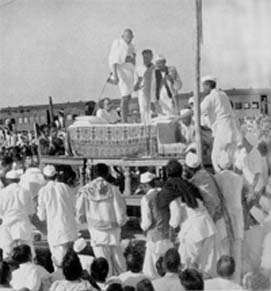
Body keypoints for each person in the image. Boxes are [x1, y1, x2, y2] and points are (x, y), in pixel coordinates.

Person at [76, 163, 127, 277]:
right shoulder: (113, 189)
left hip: (96, 234)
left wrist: (84, 220)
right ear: (107, 173)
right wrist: (121, 223)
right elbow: (120, 211)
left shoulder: (85, 191)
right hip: (113, 234)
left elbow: (80, 214)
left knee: (103, 268)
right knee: (120, 267)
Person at [169, 180, 216, 277]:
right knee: (204, 265)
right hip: (208, 228)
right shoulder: (196, 199)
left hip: (192, 233)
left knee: (186, 265)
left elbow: (175, 220)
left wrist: (171, 230)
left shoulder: (175, 201)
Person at [37, 165, 77, 264]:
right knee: (69, 260)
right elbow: (75, 207)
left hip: (55, 233)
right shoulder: (66, 187)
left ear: (44, 177)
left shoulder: (43, 191)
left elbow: (41, 216)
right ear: (56, 175)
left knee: (58, 262)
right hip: (69, 230)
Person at [200, 76, 240, 173]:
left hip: (222, 131)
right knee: (228, 159)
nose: (202, 88)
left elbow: (197, 110)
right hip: (231, 131)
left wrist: (179, 117)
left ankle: (221, 179)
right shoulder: (223, 94)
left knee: (216, 159)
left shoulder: (211, 97)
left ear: (208, 85)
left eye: (203, 86)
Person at [215, 152, 244, 283]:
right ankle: (236, 282)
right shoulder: (239, 178)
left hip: (223, 217)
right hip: (237, 216)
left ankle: (225, 281)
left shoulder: (216, 178)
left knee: (224, 250)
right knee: (237, 249)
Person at [139, 172, 173, 279]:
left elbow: (146, 223)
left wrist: (140, 225)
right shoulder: (164, 193)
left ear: (145, 185)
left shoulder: (146, 199)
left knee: (152, 271)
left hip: (154, 237)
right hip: (168, 235)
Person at [0, 170, 35, 258]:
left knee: (8, 253)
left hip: (7, 225)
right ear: (19, 180)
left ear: (7, 180)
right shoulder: (25, 192)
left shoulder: (2, 193)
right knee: (26, 254)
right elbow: (31, 212)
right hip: (22, 225)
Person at [109, 28, 136, 123]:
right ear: (122, 36)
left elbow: (133, 58)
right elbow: (114, 61)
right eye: (127, 37)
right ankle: (124, 121)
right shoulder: (118, 44)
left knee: (128, 96)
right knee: (124, 96)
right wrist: (115, 75)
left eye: (130, 37)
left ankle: (125, 118)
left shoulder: (131, 46)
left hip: (130, 71)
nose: (128, 39)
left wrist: (131, 60)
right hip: (122, 71)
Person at [184, 152, 221, 222]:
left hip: (209, 209)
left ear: (189, 168)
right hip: (218, 207)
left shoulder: (195, 180)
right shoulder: (207, 174)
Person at [134, 49, 156, 124]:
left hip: (154, 94)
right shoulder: (138, 69)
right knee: (143, 112)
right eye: (144, 57)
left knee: (154, 113)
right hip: (143, 93)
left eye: (148, 57)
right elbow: (135, 88)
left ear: (151, 57)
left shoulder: (155, 68)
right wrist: (139, 82)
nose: (146, 60)